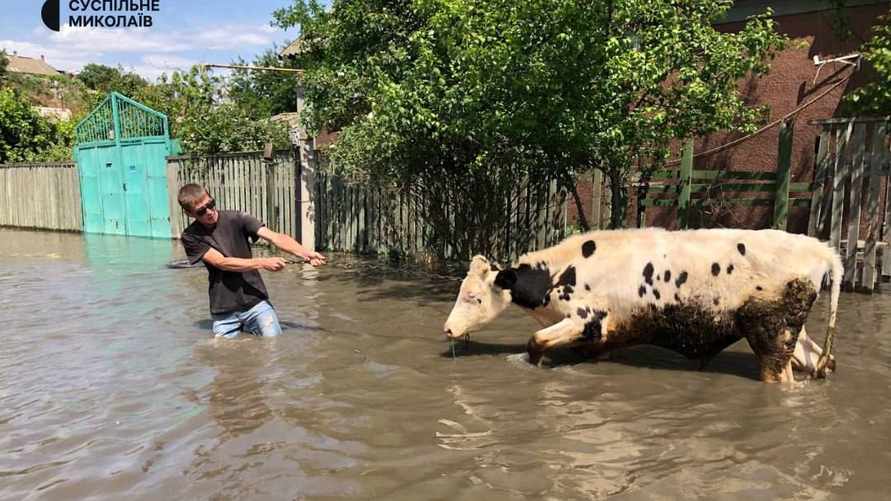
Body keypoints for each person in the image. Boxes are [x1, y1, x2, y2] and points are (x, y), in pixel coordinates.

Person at [177, 183, 326, 338]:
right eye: (201, 211)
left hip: (256, 301)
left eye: (210, 204)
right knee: (223, 357)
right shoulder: (190, 236)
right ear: (189, 214)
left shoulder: (237, 218)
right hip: (223, 310)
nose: (209, 211)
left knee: (275, 346)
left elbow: (275, 237)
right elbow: (221, 263)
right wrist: (262, 262)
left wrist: (306, 253)